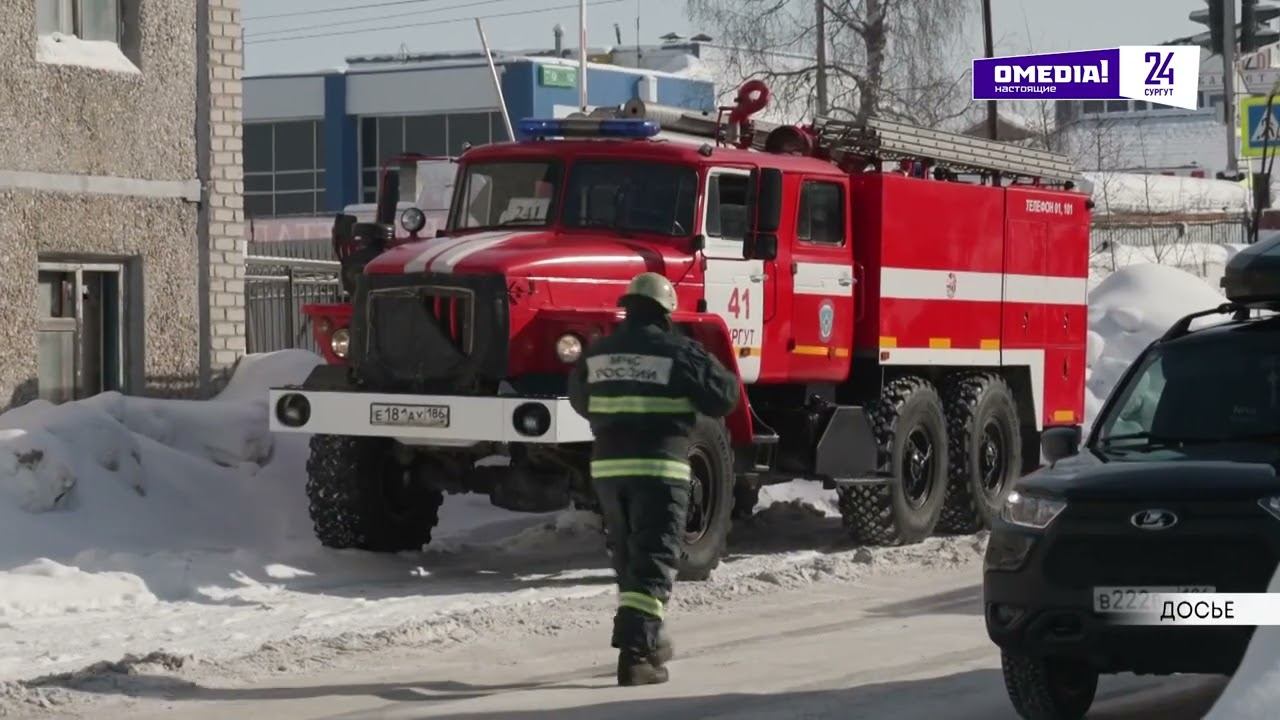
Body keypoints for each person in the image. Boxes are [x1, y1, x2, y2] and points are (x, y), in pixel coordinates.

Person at [568, 271, 740, 686]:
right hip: (660, 471)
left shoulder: (598, 354)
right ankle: (637, 655)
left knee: (630, 558)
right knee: (654, 560)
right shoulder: (679, 352)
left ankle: (652, 636)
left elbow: (579, 399)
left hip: (608, 472)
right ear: (666, 310)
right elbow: (726, 395)